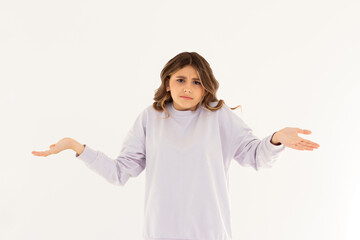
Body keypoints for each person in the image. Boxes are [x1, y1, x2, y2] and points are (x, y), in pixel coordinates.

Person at [32, 51, 320, 240]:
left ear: (206, 87)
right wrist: (76, 147)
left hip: (210, 233)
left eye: (196, 82)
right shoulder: (151, 118)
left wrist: (276, 138)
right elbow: (119, 173)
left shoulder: (218, 116)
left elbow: (255, 156)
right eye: (181, 79)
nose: (187, 88)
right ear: (167, 82)